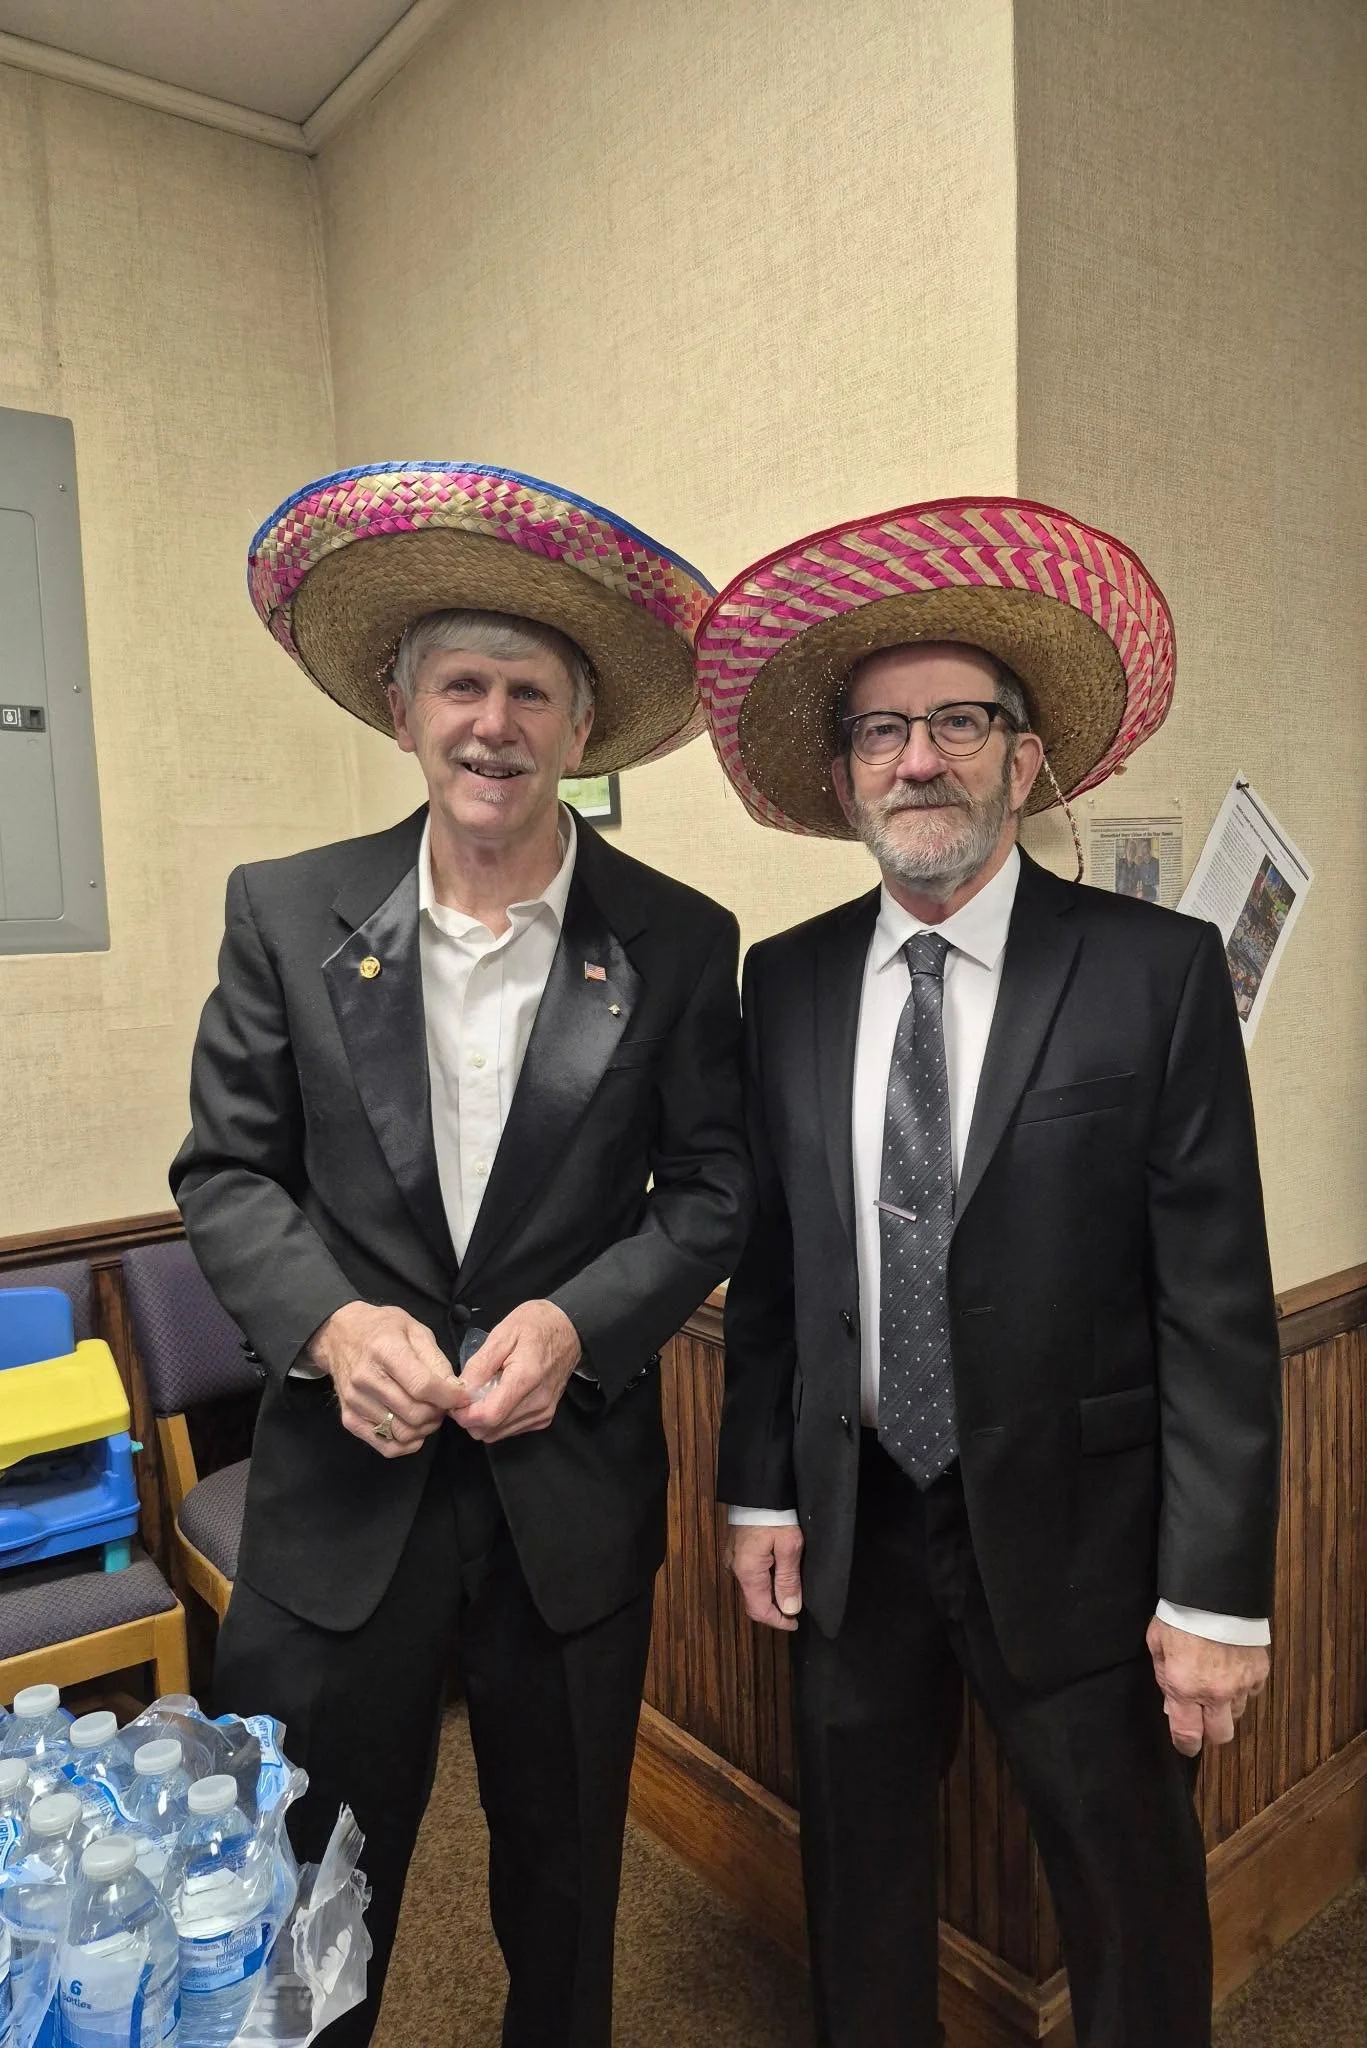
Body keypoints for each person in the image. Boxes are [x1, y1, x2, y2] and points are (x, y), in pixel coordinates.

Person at [171, 461, 752, 2046]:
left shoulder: (681, 939)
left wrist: (579, 1323)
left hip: (567, 1508)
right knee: (306, 1897)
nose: (494, 725)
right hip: (336, 1509)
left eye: (531, 693)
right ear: (403, 706)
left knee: (565, 1896)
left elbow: (711, 1191)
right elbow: (226, 1172)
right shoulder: (284, 912)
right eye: (462, 687)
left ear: (581, 726)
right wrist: (329, 1325)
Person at [700, 497, 1282, 2048]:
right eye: (882, 731)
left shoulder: (1155, 975)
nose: (920, 760)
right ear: (843, 776)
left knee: (1130, 1905)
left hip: (1087, 1539)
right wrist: (757, 1488)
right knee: (861, 1890)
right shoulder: (788, 981)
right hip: (855, 1525)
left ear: (1023, 761)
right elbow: (775, 1262)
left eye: (960, 722)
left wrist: (1216, 1592)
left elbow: (1218, 1306)